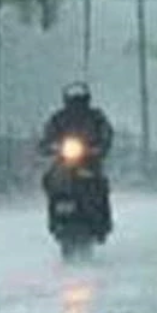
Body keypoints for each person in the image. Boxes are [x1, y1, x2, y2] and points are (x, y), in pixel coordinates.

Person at [39, 82, 114, 238]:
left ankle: (102, 221)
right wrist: (48, 146)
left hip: (89, 160)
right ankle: (54, 218)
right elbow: (47, 136)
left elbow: (106, 133)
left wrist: (100, 147)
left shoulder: (95, 117)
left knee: (100, 184)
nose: (76, 104)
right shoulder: (59, 118)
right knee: (49, 180)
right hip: (64, 162)